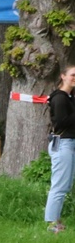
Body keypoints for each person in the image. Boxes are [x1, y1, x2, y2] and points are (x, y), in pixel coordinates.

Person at [46, 63, 75, 233]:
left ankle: (55, 220)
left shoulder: (70, 97)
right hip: (63, 144)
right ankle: (51, 223)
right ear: (63, 76)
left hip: (68, 144)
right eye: (73, 75)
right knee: (59, 185)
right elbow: (61, 122)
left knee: (65, 184)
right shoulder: (60, 98)